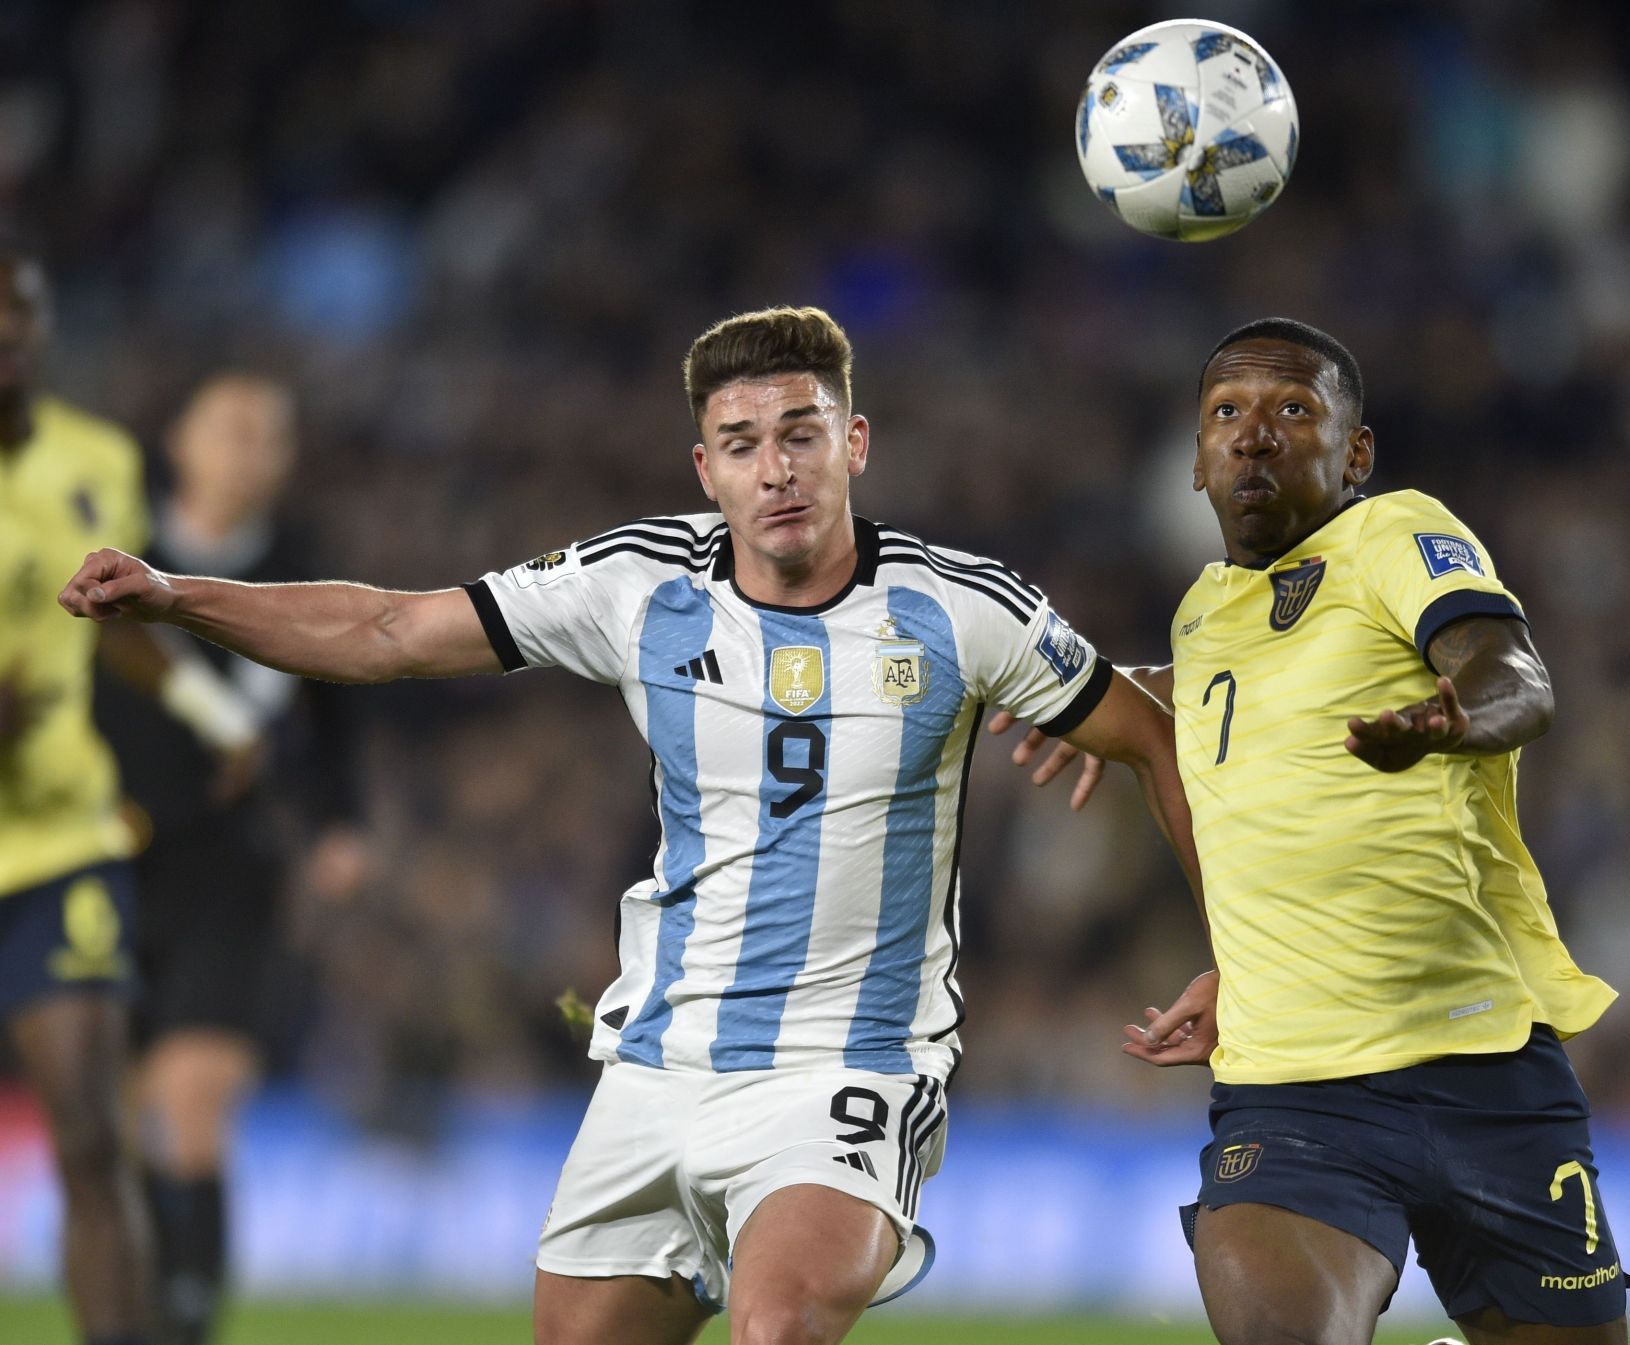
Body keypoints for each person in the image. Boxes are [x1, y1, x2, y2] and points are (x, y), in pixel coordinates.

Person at [61, 306, 1200, 1345]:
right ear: (707, 470)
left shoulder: (961, 607)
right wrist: (179, 594)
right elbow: (389, 630)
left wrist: (1231, 960)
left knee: (778, 1325)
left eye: (803, 434)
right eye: (744, 444)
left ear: (855, 444)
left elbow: (1151, 731)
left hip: (849, 1064)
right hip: (658, 1063)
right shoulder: (639, 583)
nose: (778, 469)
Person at [1021, 318, 1630, 1344]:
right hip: (1294, 1095)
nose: (1255, 434)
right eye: (1228, 414)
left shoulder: (1392, 536)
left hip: (1484, 1068)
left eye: (1292, 411)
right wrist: (1116, 704)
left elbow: (1515, 676)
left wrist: (1448, 721)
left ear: (1356, 453)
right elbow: (1239, 707)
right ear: (1196, 461)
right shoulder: (1203, 616)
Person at [0, 249, 250, 1345]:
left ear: (45, 327)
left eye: (19, 310)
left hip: (61, 842)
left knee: (95, 1141)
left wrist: (216, 711)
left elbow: (124, 620)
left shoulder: (96, 458)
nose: (3, 330)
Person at [92, 373, 369, 1345]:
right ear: (180, 440)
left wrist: (339, 824)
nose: (251, 451)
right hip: (105, 864)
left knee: (194, 1101)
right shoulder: (121, 554)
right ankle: (137, 1302)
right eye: (233, 429)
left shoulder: (304, 570)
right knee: (115, 1124)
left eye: (269, 435)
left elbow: (339, 711)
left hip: (233, 871)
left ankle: (186, 1323)